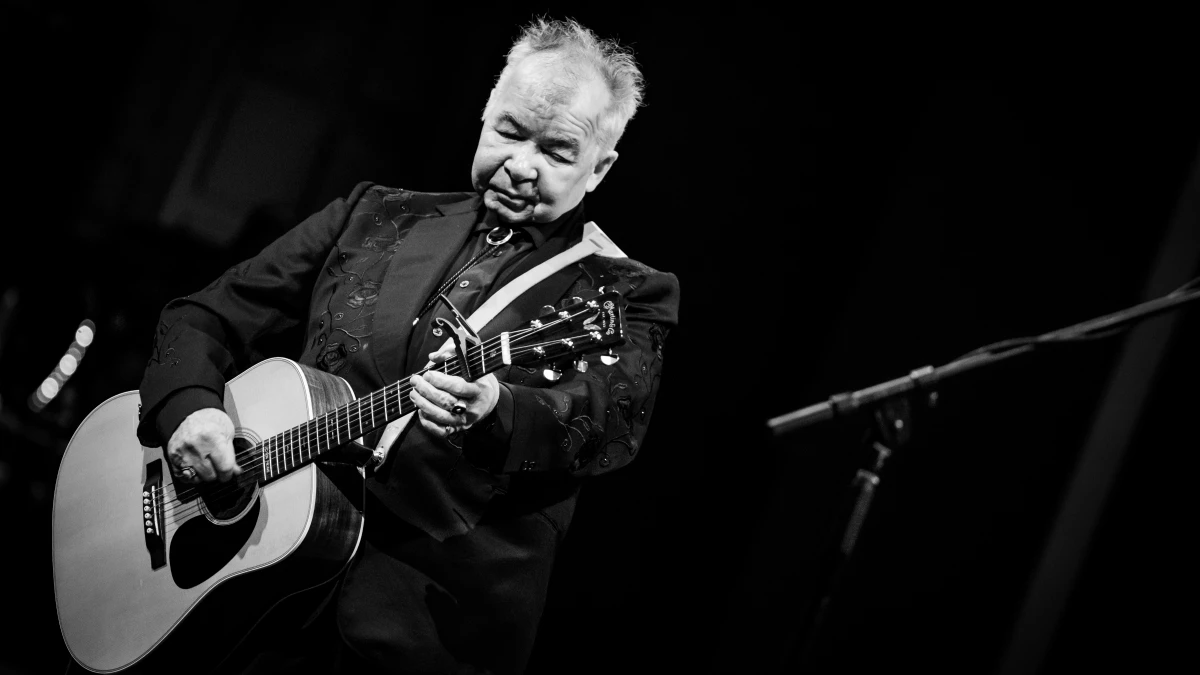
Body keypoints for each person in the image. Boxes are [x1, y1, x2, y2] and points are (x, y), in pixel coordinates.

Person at [136, 17, 680, 674]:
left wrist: (498, 412)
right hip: (252, 590)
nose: (521, 165)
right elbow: (199, 317)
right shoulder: (377, 214)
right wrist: (189, 405)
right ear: (484, 110)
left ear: (601, 166)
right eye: (508, 131)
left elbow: (612, 421)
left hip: (428, 633)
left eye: (557, 151)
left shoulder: (624, 290)